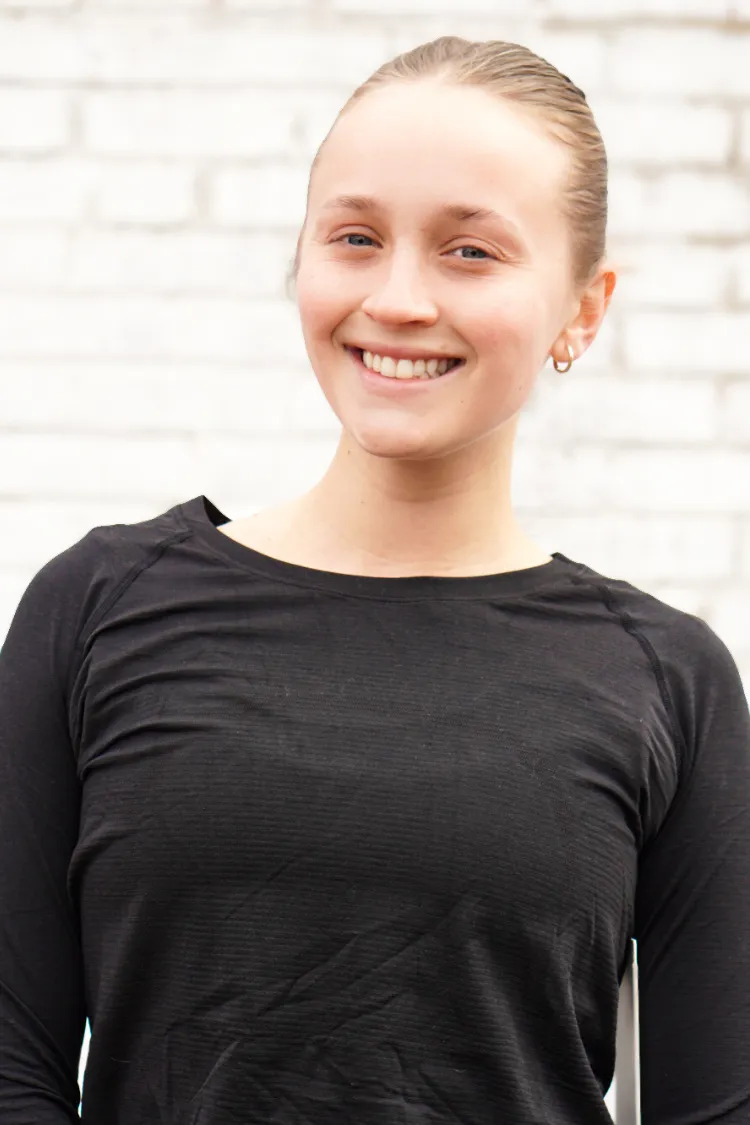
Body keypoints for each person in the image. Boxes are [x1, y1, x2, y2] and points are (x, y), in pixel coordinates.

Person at [0, 35, 748, 1125]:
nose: (397, 298)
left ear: (584, 308)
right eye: (356, 238)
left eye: (471, 253)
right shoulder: (100, 609)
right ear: (301, 258)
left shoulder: (668, 682)